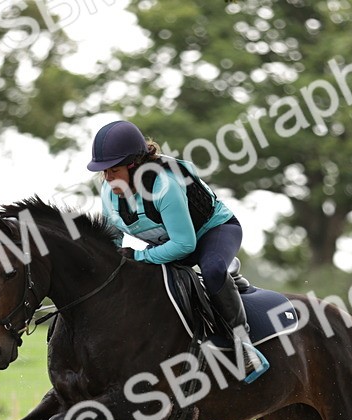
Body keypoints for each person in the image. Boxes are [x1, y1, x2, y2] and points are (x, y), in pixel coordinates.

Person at [86, 119, 270, 383]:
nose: (107, 178)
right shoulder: (109, 191)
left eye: (113, 170)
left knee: (214, 269)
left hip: (212, 233)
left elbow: (185, 245)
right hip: (168, 242)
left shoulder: (164, 186)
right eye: (104, 172)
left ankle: (244, 346)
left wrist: (139, 255)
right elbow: (113, 235)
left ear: (133, 165)